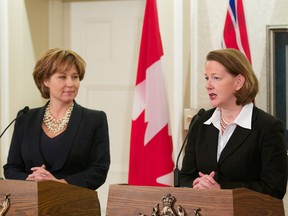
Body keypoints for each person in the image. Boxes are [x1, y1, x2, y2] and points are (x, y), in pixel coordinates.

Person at [179, 48, 287, 199]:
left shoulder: (268, 127)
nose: (208, 85)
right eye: (206, 78)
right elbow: (184, 178)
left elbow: (274, 189)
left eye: (216, 78)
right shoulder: (200, 122)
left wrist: (222, 190)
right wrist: (197, 185)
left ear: (238, 82)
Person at [3, 48, 110, 190]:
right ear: (45, 80)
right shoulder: (25, 118)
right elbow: (12, 167)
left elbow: (99, 170)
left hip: (76, 205)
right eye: (62, 77)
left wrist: (58, 184)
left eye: (75, 77)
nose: (71, 83)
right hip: (30, 206)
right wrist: (30, 180)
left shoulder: (95, 119)